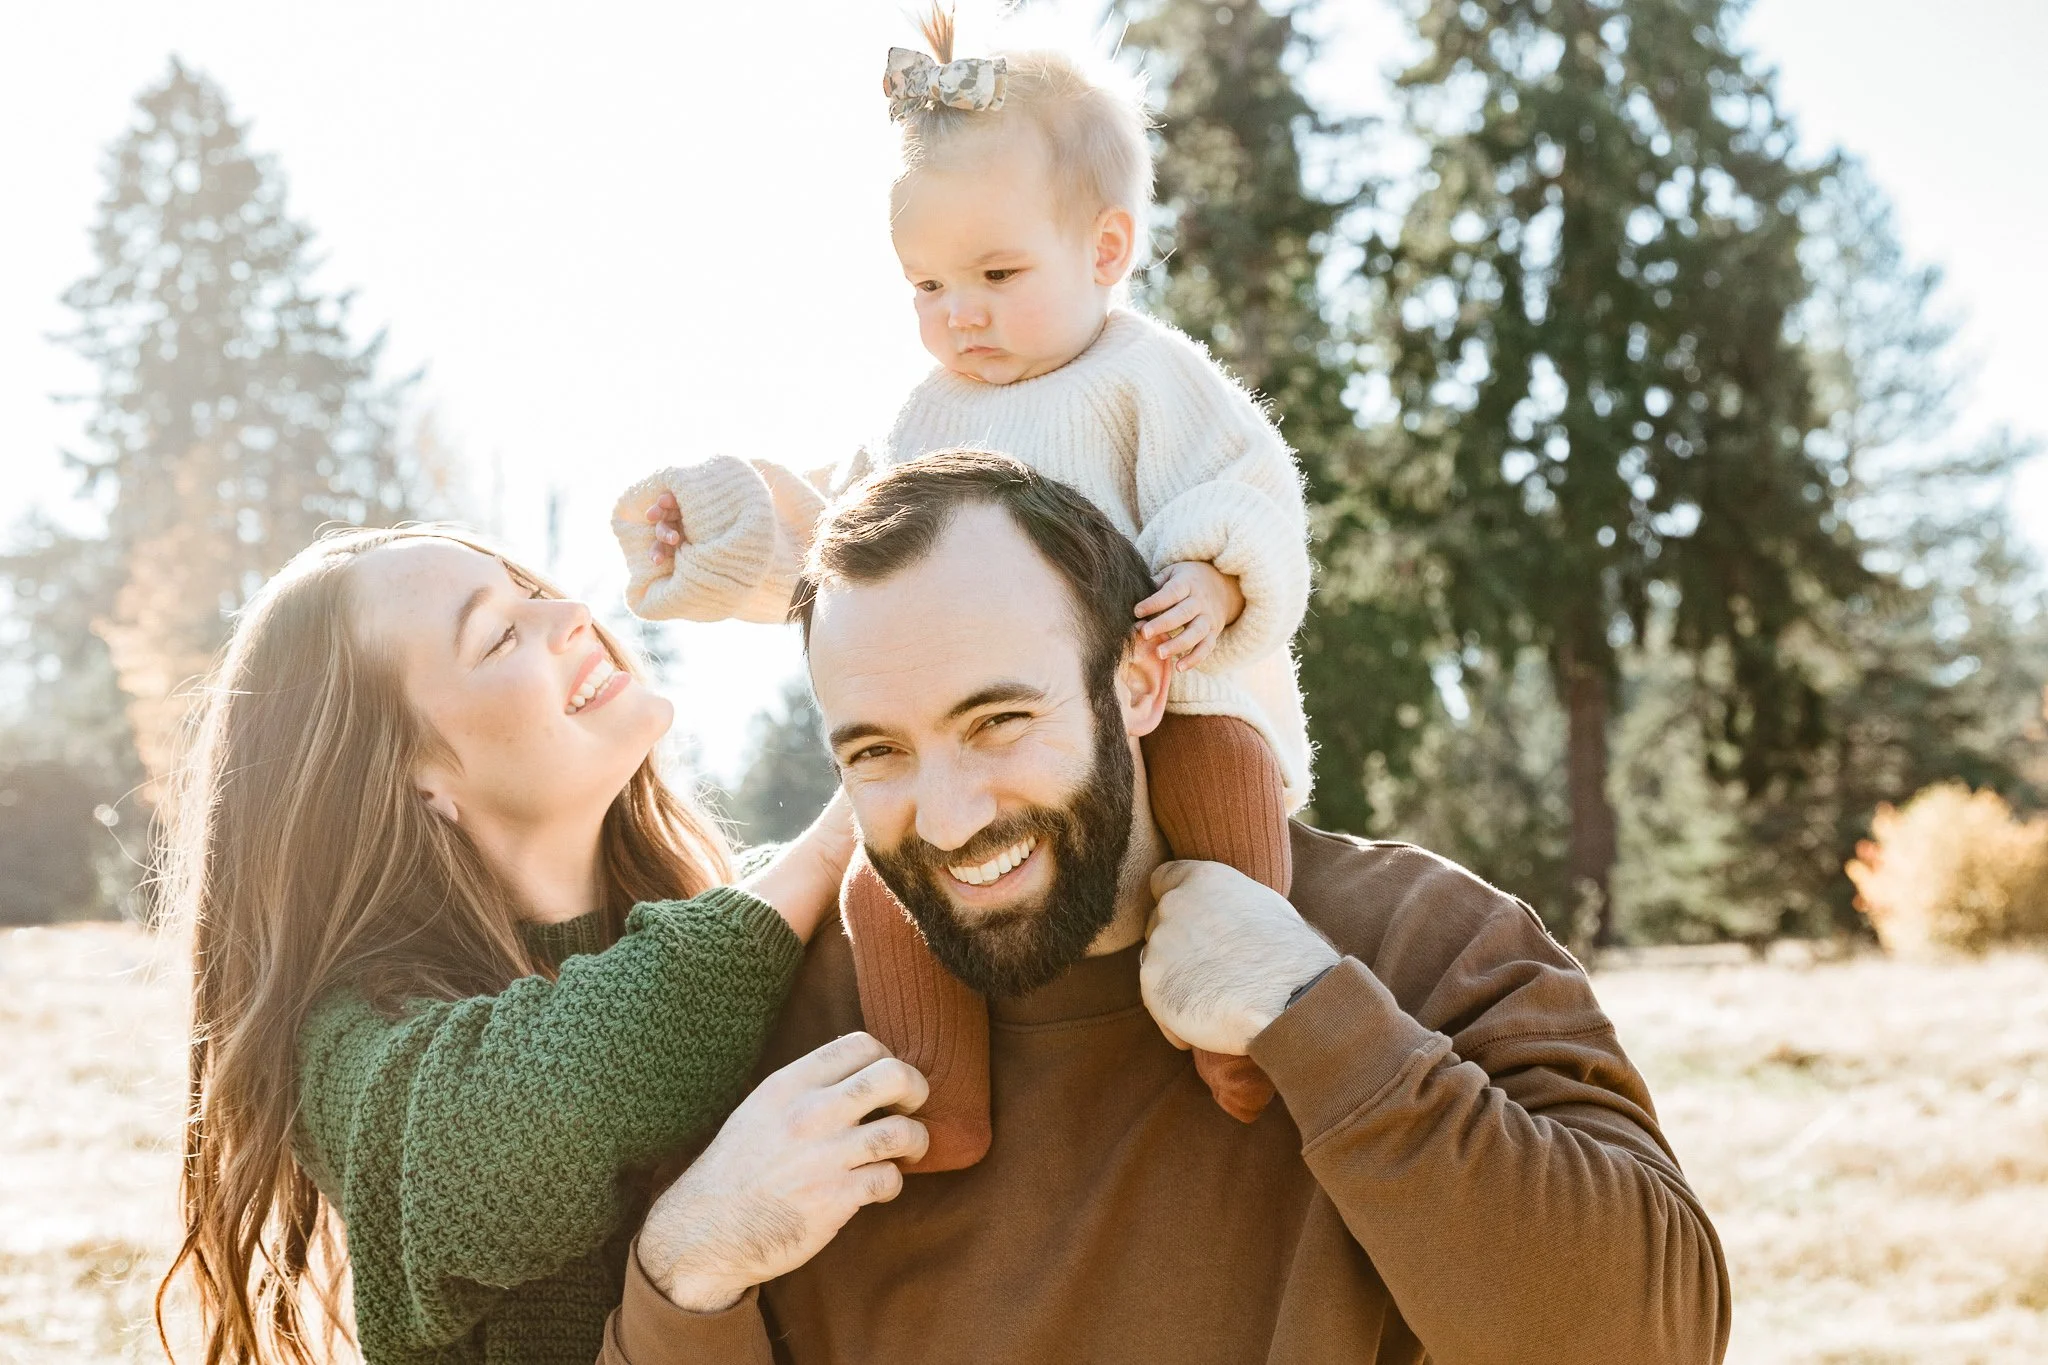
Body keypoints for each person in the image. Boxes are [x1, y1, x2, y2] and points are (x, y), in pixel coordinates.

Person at [598, 453, 1732, 1365]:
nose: (946, 820)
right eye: (879, 753)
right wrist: (688, 1264)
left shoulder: (1416, 938)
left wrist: (1317, 1019)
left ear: (1137, 682)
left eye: (997, 723)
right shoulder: (789, 1055)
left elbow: (1652, 1337)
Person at [610, 8, 1311, 1168]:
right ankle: (936, 1089)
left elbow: (1241, 486)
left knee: (1221, 779)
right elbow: (850, 540)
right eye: (925, 285)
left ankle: (1239, 1022)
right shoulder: (923, 417)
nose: (958, 314)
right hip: (973, 743)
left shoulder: (1143, 374)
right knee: (887, 888)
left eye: (994, 273)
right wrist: (729, 534)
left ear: (1104, 250)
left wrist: (1209, 576)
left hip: (1156, 698)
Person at [154, 525, 878, 1365]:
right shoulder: (355, 1055)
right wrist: (843, 826)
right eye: (498, 634)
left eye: (533, 593)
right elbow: (533, 1115)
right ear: (416, 779)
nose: (573, 613)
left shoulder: (758, 925)